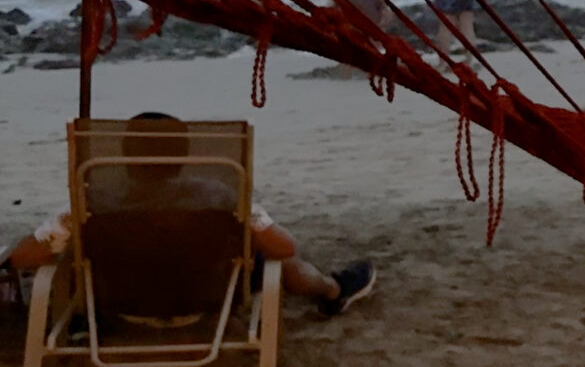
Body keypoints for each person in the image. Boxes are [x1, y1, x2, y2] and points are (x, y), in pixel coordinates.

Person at [4, 112, 375, 321]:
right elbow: (284, 246)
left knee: (69, 255)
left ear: (123, 155)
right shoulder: (218, 194)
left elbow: (21, 259)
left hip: (118, 305)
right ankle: (333, 290)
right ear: (184, 154)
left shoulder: (91, 202)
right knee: (281, 261)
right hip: (207, 299)